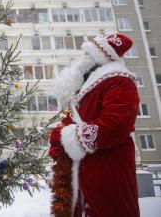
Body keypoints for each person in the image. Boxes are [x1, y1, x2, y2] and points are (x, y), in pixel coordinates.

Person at [49, 33, 140, 217]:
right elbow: (75, 120)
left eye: (88, 54)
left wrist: (71, 138)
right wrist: (59, 138)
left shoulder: (120, 81)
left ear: (99, 59)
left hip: (106, 168)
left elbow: (116, 124)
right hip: (83, 170)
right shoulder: (89, 85)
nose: (83, 58)